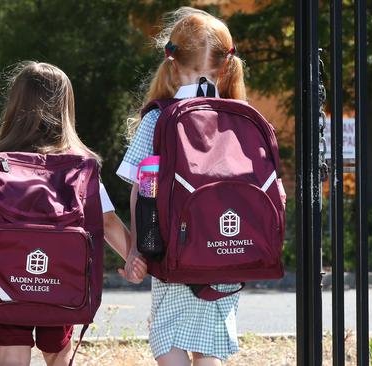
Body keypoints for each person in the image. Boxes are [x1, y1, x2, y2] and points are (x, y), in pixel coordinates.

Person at [0, 61, 147, 366]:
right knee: (58, 353)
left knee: (11, 355)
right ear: (65, 108)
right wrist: (134, 258)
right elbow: (108, 222)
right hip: (60, 281)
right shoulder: (79, 168)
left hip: (3, 281)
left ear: (15, 105)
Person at [117, 7, 250, 366]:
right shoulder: (240, 117)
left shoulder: (159, 118)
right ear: (225, 66)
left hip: (174, 253)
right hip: (228, 250)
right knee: (210, 347)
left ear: (172, 63)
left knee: (169, 338)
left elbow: (141, 188)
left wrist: (137, 250)